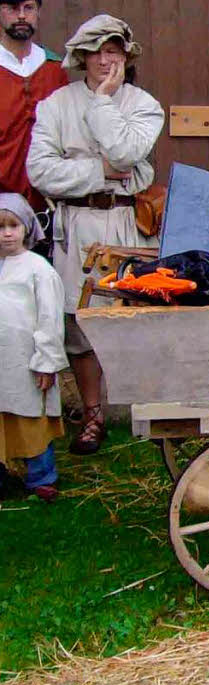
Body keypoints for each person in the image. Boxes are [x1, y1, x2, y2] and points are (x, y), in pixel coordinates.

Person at [26, 13, 164, 455]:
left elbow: (126, 152)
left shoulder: (143, 104)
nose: (106, 61)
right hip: (78, 227)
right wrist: (98, 171)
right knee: (80, 324)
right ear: (81, 57)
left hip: (127, 225)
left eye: (115, 52)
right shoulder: (55, 106)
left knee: (133, 316)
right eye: (98, 52)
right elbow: (40, 171)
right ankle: (92, 414)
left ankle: (145, 409)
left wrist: (104, 102)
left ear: (126, 57)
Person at [0, 193, 67, 502]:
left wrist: (47, 361)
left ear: (26, 227)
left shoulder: (38, 269)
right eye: (0, 227)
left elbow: (50, 317)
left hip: (27, 361)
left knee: (32, 419)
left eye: (13, 225)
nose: (7, 233)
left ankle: (41, 477)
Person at [0, 0, 67, 243]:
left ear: (38, 11)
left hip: (49, 208)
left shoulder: (54, 69)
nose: (20, 16)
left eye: (28, 8)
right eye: (11, 7)